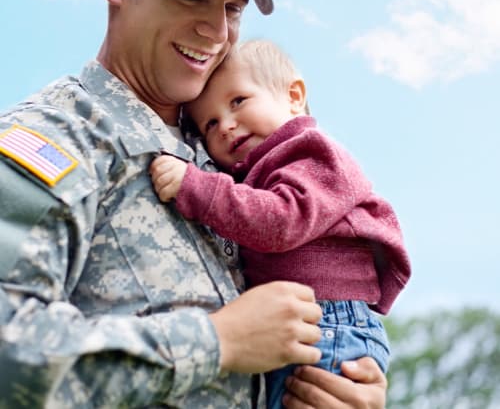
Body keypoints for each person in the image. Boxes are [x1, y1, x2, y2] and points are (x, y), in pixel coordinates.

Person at [0, 0, 388, 407]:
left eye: (233, 7)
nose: (216, 30)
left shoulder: (234, 152)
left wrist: (345, 382)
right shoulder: (53, 137)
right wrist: (218, 341)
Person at [150, 39, 411, 407]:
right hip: (299, 323)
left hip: (328, 322)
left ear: (294, 95)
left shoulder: (311, 153)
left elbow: (281, 222)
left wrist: (196, 187)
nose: (225, 125)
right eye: (209, 123)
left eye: (238, 101)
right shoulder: (254, 171)